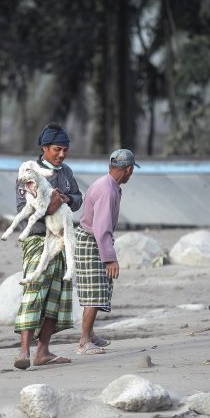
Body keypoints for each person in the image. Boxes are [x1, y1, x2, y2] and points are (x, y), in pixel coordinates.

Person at [12, 123, 83, 369]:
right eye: (57, 149)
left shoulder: (66, 172)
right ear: (44, 148)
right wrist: (51, 207)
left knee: (57, 295)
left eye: (65, 150)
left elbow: (78, 198)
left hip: (61, 241)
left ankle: (42, 352)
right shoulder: (28, 173)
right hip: (36, 239)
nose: (61, 154)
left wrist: (67, 199)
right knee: (33, 288)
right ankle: (23, 352)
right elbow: (23, 210)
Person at [74, 148, 139, 355]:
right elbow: (101, 228)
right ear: (128, 169)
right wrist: (110, 259)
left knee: (98, 288)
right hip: (92, 240)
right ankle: (84, 341)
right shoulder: (108, 190)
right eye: (131, 171)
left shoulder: (107, 184)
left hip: (93, 238)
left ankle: (90, 334)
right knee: (94, 292)